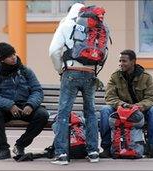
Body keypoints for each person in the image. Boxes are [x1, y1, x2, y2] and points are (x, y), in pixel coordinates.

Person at [48, 3, 101, 165]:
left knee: (64, 113)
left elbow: (53, 51)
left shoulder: (66, 25)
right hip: (90, 72)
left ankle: (62, 154)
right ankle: (93, 152)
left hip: (71, 71)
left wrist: (60, 70)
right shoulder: (96, 27)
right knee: (90, 112)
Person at [0, 42, 49, 160]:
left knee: (43, 114)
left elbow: (37, 91)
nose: (14, 57)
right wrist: (9, 105)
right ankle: (3, 149)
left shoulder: (26, 71)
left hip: (25, 107)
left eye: (14, 54)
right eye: (9, 56)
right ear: (2, 59)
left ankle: (20, 145)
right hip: (6, 109)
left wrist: (30, 104)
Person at [99, 49, 153, 158]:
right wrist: (123, 105)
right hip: (121, 111)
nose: (121, 64)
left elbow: (152, 98)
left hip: (140, 112)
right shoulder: (115, 76)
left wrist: (138, 106)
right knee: (105, 110)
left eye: (124, 61)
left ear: (133, 62)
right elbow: (110, 97)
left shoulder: (146, 77)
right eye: (120, 61)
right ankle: (106, 148)